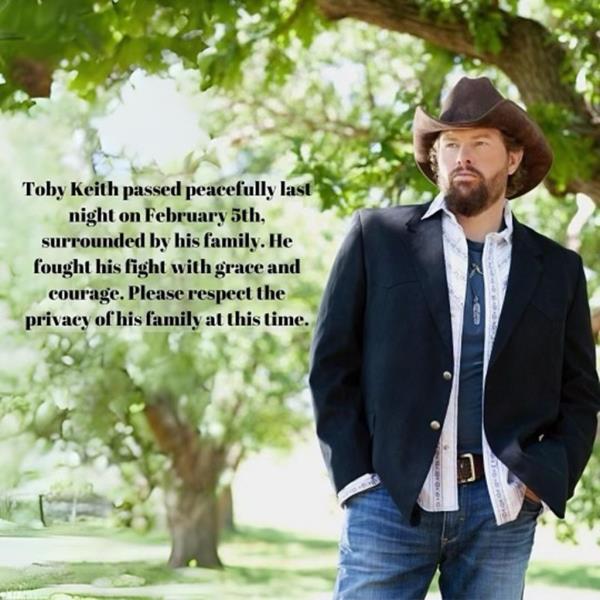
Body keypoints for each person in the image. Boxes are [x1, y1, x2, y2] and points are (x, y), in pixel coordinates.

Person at [309, 76, 600, 600]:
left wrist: (545, 476)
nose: (461, 157)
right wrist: (355, 481)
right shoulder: (377, 238)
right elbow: (332, 366)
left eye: (479, 143)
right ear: (436, 158)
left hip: (501, 509)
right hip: (390, 502)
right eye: (449, 145)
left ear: (512, 160)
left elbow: (580, 393)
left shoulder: (558, 269)